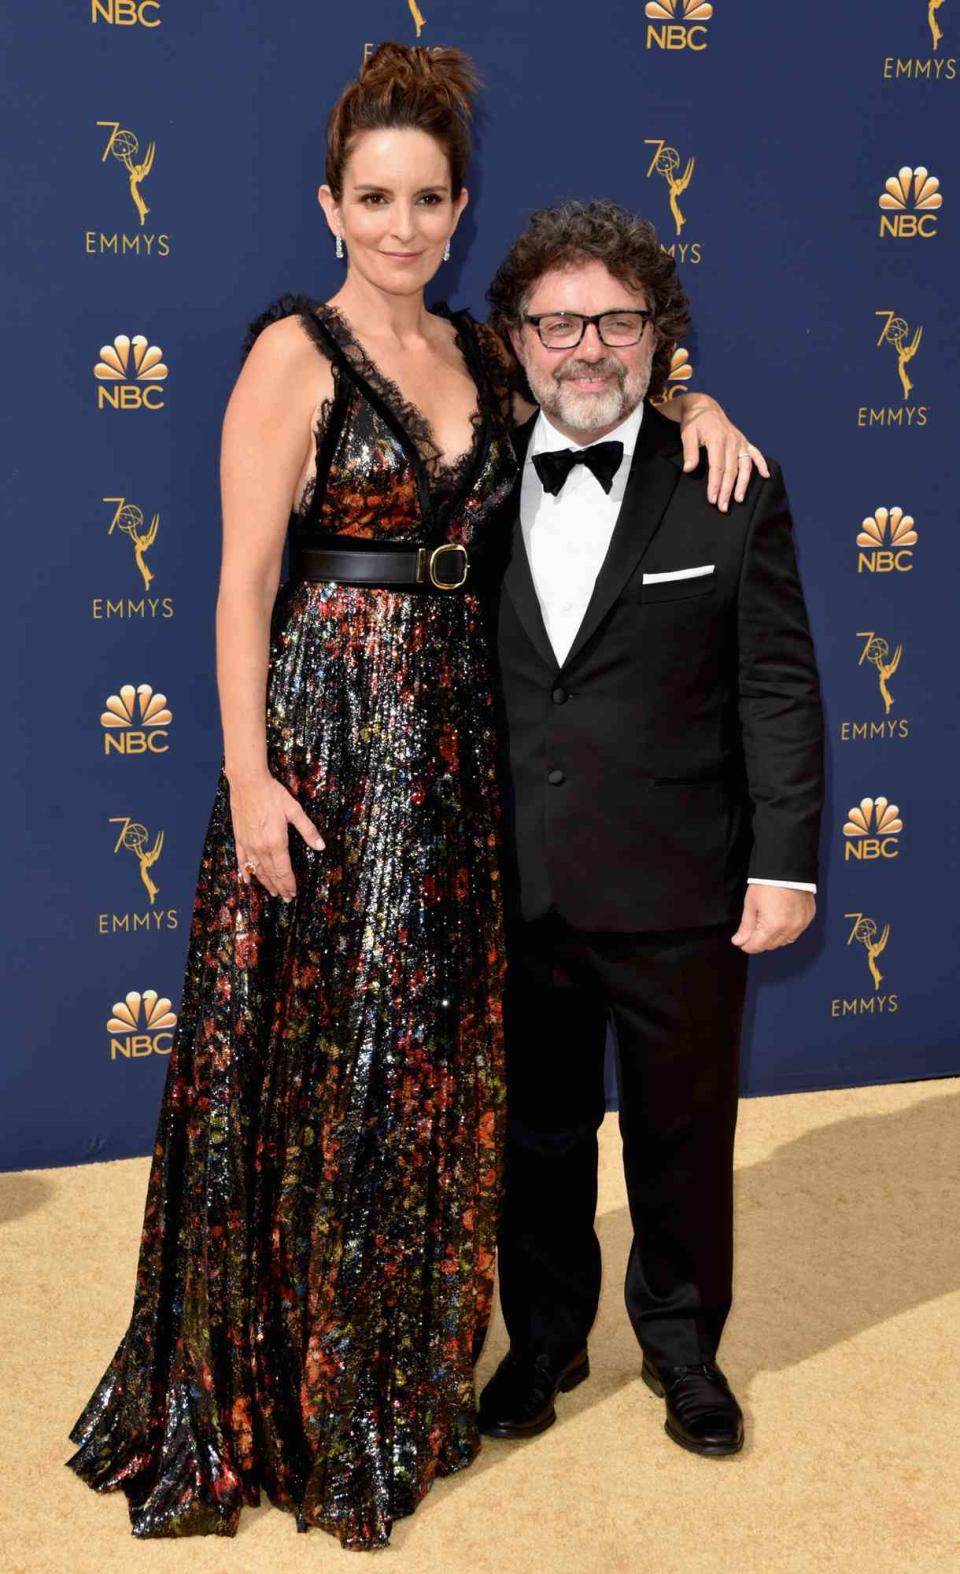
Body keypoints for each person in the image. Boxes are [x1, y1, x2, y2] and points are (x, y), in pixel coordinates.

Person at [65, 48, 762, 1550]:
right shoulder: (292, 356)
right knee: (323, 1063)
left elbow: (608, 366)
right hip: (325, 735)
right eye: (373, 197)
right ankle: (300, 1392)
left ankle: (403, 1366)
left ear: (458, 211)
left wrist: (697, 401)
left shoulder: (484, 350)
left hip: (458, 744)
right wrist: (250, 778)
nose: (400, 224)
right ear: (331, 204)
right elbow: (244, 582)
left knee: (429, 1068)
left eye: (427, 198)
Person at [478, 200, 825, 1457]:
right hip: (517, 877)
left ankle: (684, 1350)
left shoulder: (726, 479)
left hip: (684, 878)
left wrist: (785, 856)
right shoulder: (467, 477)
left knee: (684, 1134)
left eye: (618, 320)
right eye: (559, 320)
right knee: (539, 1133)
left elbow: (778, 684)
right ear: (515, 339)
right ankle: (547, 1337)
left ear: (660, 338)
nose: (588, 346)